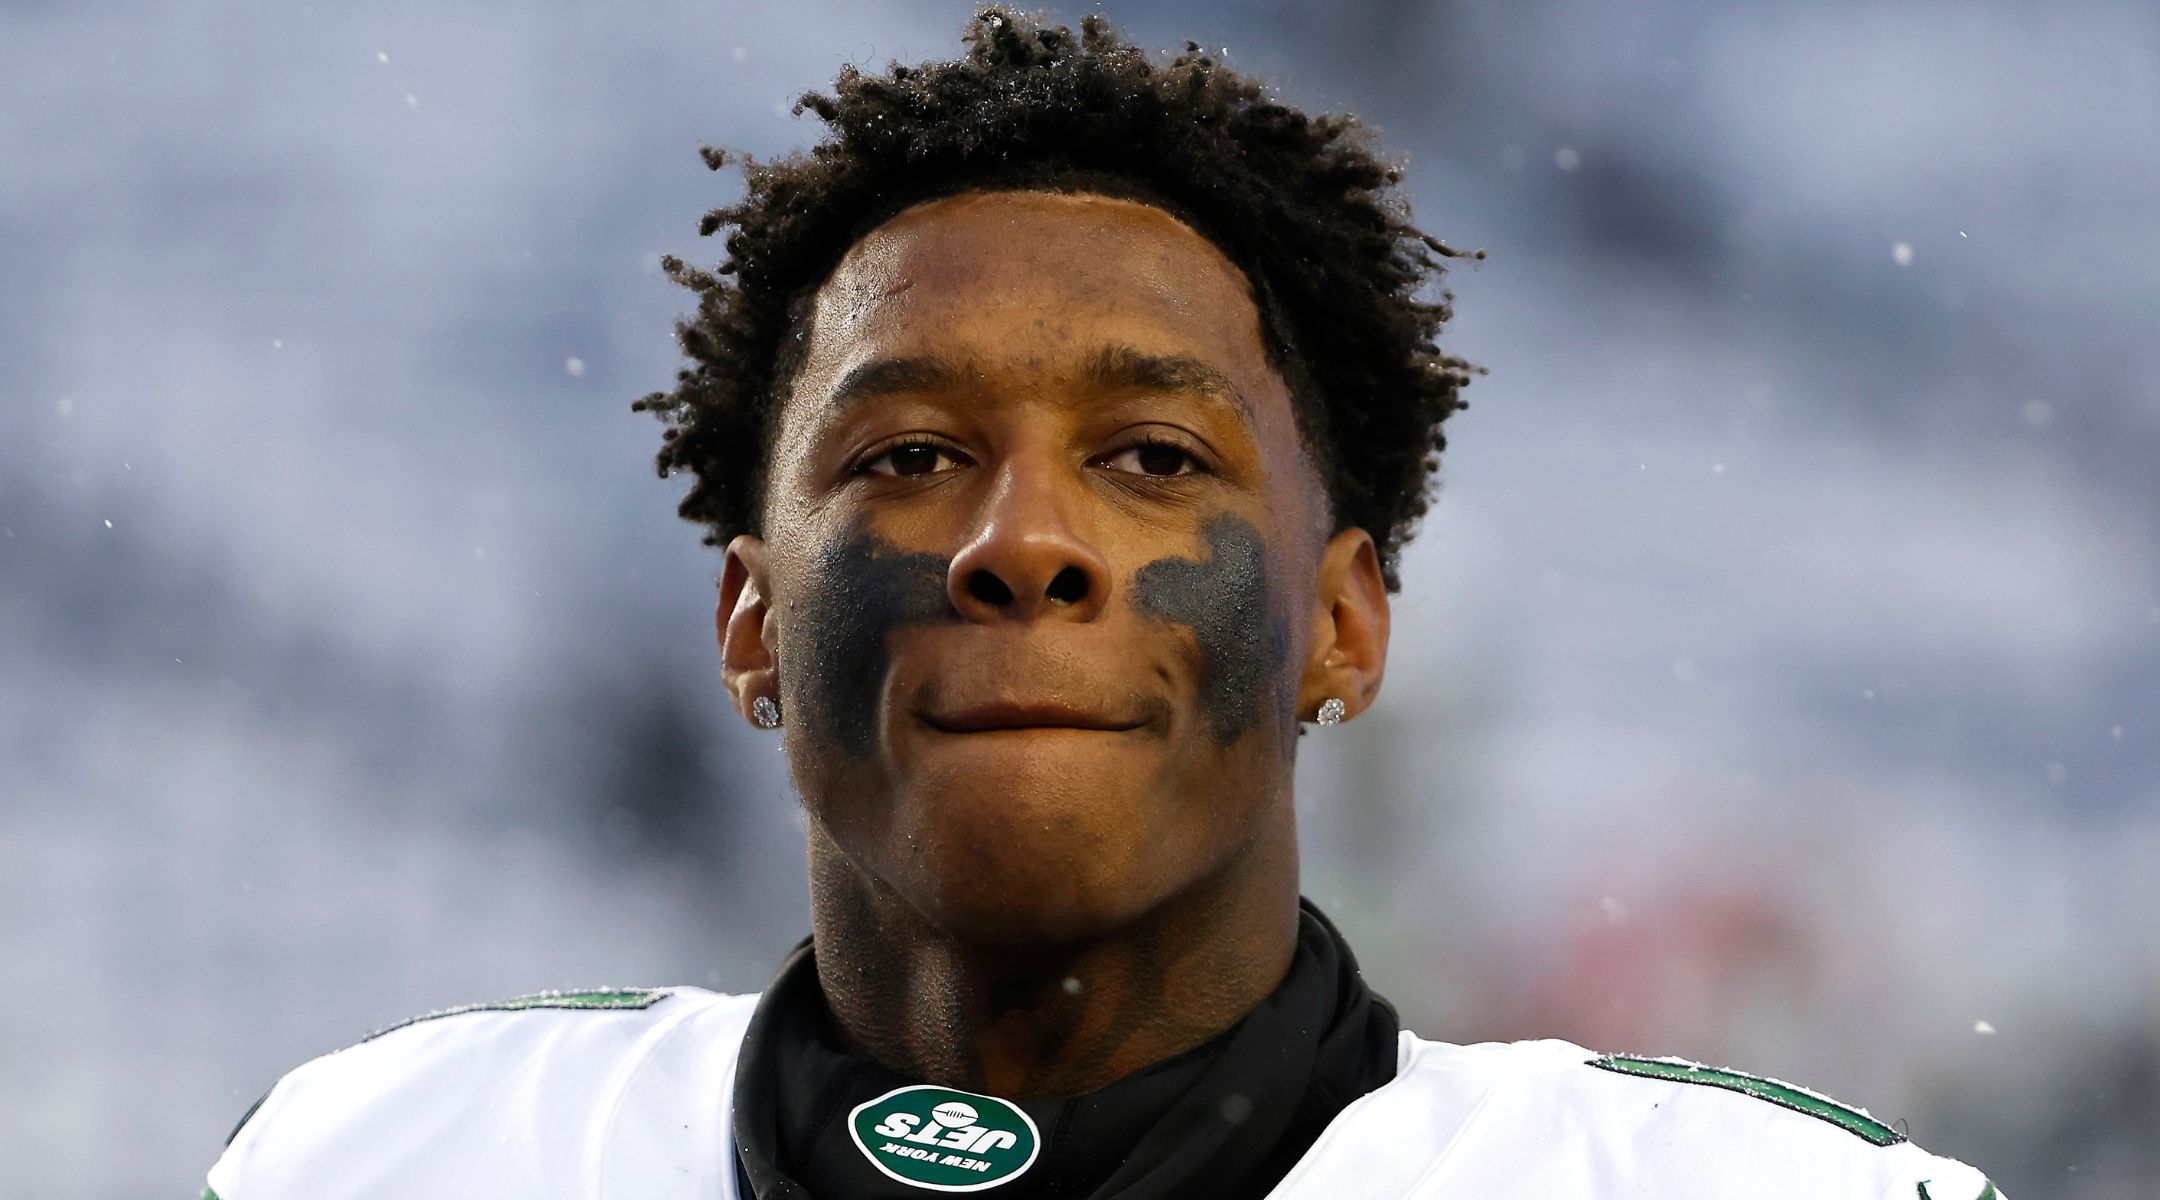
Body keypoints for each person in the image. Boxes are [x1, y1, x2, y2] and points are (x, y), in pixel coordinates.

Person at [203, 9, 2002, 1198]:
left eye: (1153, 456)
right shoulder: (387, 1158)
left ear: (1343, 623)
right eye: (905, 454)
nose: (1023, 541)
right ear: (748, 622)